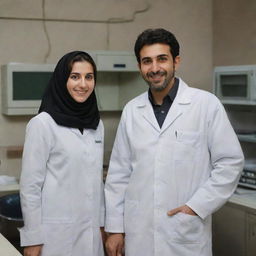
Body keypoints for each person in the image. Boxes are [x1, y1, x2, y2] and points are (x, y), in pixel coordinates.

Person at [104, 28, 244, 256]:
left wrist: (196, 207)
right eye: (146, 61)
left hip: (184, 232)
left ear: (175, 61)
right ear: (140, 66)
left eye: (162, 59)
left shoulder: (205, 105)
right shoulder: (132, 110)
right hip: (139, 234)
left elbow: (230, 163)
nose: (155, 68)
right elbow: (119, 175)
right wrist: (115, 229)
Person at [19, 51, 105, 256]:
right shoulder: (43, 124)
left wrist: (102, 225)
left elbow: (97, 182)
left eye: (89, 77)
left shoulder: (96, 125)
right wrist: (32, 238)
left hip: (91, 234)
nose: (83, 84)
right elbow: (30, 187)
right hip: (55, 236)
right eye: (74, 76)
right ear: (61, 79)